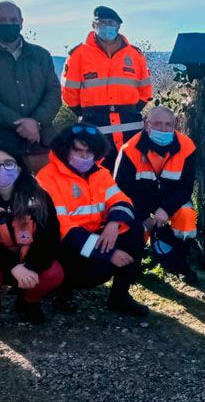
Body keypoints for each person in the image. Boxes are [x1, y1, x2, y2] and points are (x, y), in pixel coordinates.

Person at [36, 123, 149, 317]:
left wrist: (113, 224)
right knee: (91, 268)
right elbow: (62, 228)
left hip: (97, 235)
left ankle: (120, 296)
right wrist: (108, 253)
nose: (84, 157)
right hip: (65, 246)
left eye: (89, 152)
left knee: (136, 230)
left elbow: (122, 201)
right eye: (78, 150)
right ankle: (62, 292)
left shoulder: (101, 173)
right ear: (65, 149)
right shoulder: (47, 177)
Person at [0, 145, 64, 330]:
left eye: (8, 163)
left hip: (28, 261)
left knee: (53, 272)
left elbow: (51, 238)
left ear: (19, 167)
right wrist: (13, 266)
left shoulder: (40, 196)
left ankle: (30, 300)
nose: (2, 169)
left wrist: (31, 267)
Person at [0, 1, 62, 175]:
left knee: (49, 197)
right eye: (2, 19)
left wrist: (35, 122)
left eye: (13, 19)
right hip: (0, 144)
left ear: (21, 21)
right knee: (5, 198)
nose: (8, 23)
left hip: (42, 144)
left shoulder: (41, 55)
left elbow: (53, 92)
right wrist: (19, 123)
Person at [113, 105, 199, 282]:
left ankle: (179, 263)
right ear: (147, 125)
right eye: (158, 124)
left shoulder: (187, 146)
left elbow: (186, 187)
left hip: (171, 200)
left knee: (186, 214)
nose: (164, 128)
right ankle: (133, 266)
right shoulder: (129, 149)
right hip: (140, 202)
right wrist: (145, 216)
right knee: (134, 225)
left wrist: (166, 209)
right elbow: (121, 192)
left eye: (169, 124)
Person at [61, 6, 152, 166]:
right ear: (93, 25)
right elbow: (69, 92)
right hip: (94, 126)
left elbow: (146, 90)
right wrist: (87, 113)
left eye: (111, 23)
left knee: (133, 174)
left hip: (130, 125)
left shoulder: (135, 55)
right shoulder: (79, 55)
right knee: (96, 175)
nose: (106, 26)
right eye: (102, 22)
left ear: (118, 26)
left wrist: (132, 110)